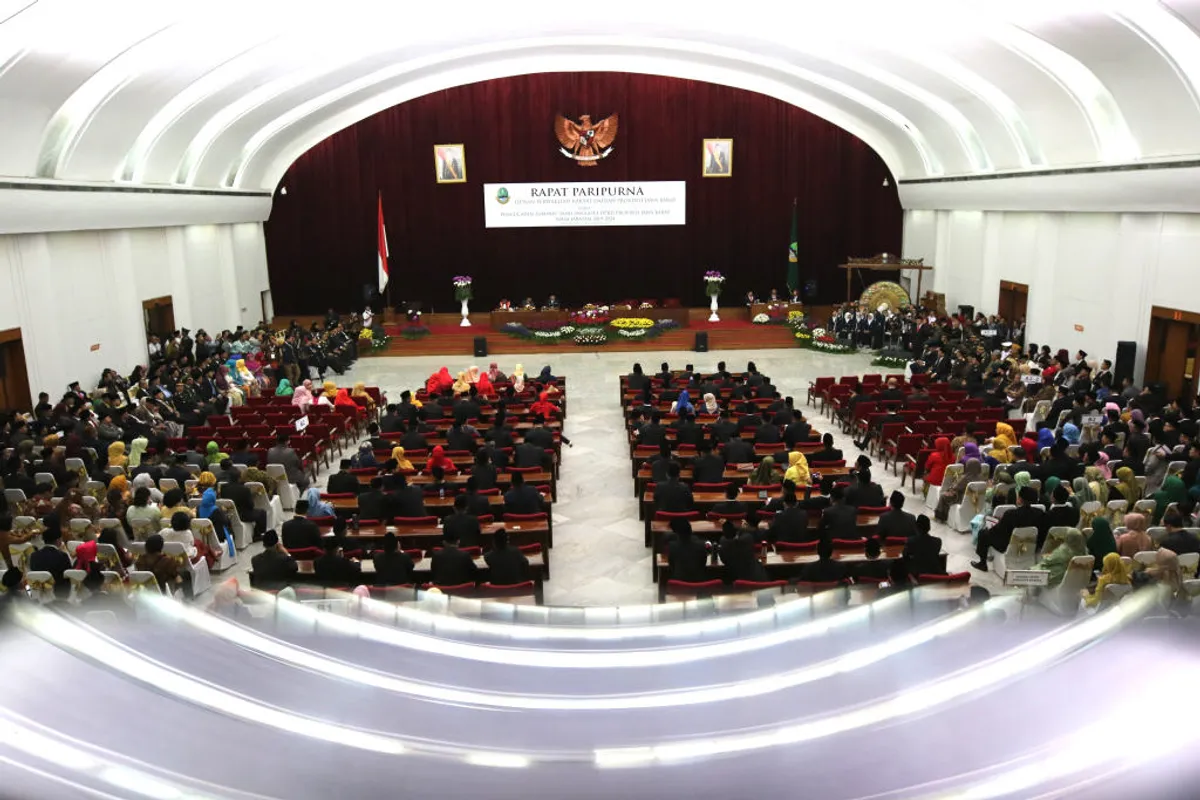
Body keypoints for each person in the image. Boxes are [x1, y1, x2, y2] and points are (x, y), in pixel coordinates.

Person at [972, 486, 1047, 571]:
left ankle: (982, 563)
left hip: (1008, 545)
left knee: (983, 533)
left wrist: (989, 529)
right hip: (1030, 546)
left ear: (1020, 499)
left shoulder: (1011, 514)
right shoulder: (1040, 513)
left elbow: (998, 532)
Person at [29, 523, 72, 599]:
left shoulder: (34, 556)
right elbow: (69, 575)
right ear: (58, 540)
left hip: (38, 594)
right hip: (58, 595)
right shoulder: (62, 556)